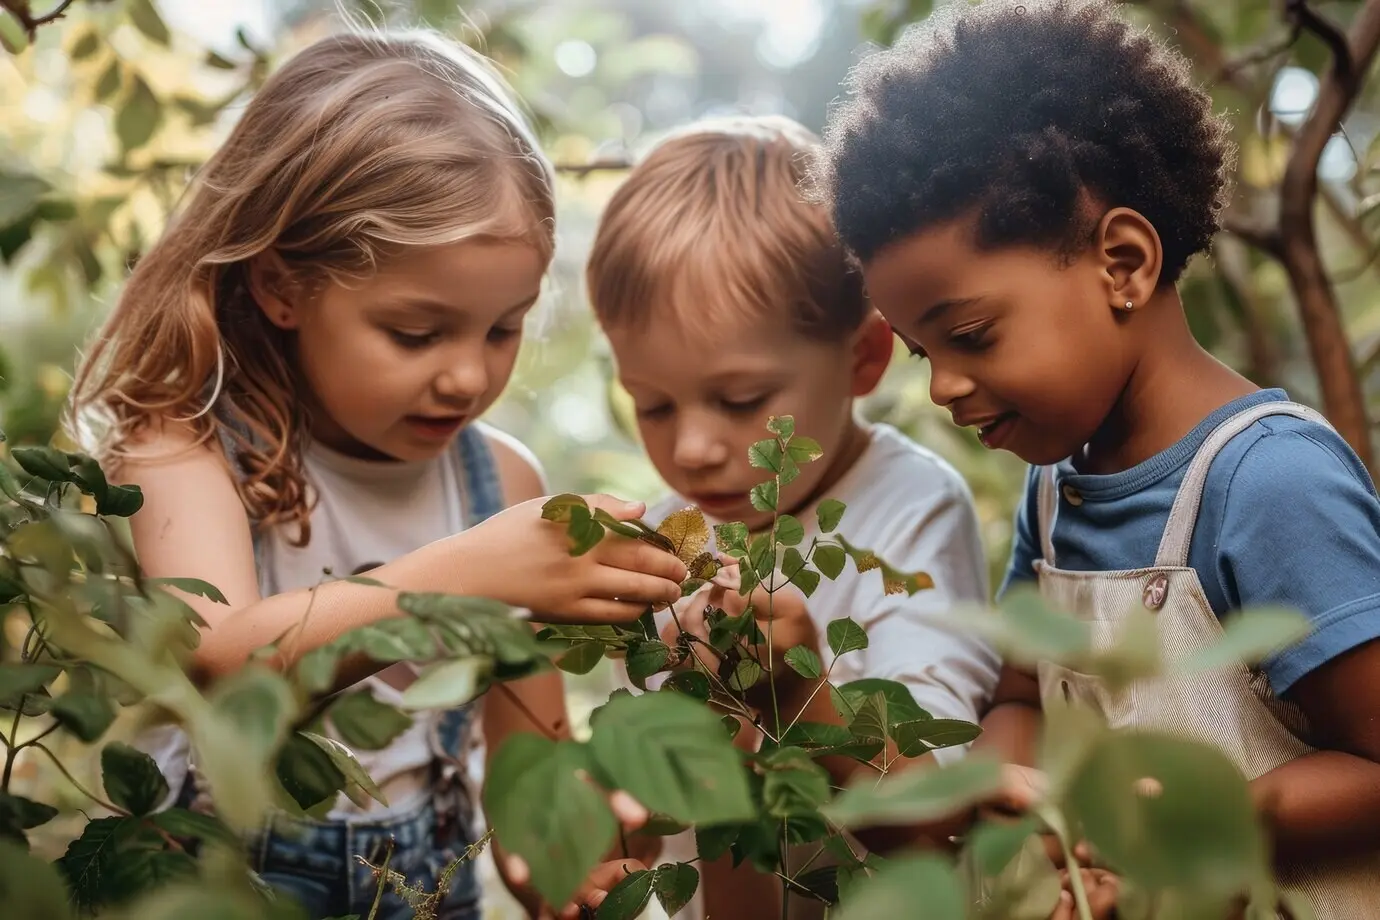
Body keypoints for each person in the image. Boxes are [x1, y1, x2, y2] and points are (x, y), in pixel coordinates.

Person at [67, 29, 686, 920]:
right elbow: (226, 665)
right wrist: (469, 574)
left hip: (428, 891)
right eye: (415, 333)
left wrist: (563, 862)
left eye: (502, 329)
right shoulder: (186, 446)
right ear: (283, 286)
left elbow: (526, 758)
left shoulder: (500, 484)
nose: (468, 376)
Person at [812, 0, 1380, 914]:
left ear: (1122, 264)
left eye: (970, 335)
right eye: (924, 355)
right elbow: (1021, 697)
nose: (944, 389)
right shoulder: (1053, 493)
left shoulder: (1271, 480)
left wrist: (1169, 829)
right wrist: (1005, 804)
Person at [585, 114, 1001, 919]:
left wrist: (797, 685)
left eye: (739, 401)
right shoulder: (672, 540)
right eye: (652, 405)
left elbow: (933, 805)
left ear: (864, 359)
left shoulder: (911, 509)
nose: (695, 449)